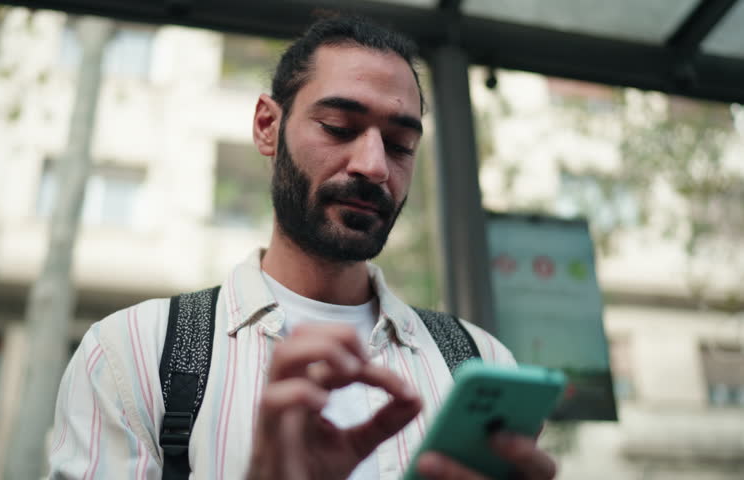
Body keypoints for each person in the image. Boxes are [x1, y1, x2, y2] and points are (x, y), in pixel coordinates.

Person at [48, 15, 557, 480]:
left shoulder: (478, 362)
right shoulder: (133, 355)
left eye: (401, 144)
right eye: (339, 127)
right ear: (268, 127)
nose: (374, 166)